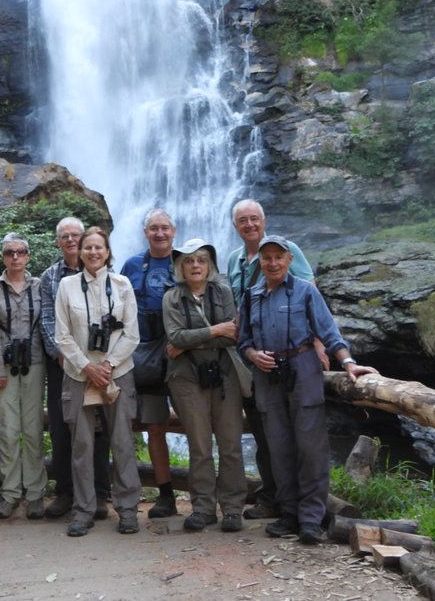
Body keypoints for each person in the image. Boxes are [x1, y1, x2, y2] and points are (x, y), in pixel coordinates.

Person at [237, 236, 378, 545]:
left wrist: (349, 363)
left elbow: (328, 331)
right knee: (279, 446)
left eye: (278, 257)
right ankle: (288, 514)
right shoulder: (250, 297)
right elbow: (243, 340)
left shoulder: (305, 291)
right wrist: (251, 355)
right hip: (267, 374)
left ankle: (311, 519)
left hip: (303, 368)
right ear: (259, 262)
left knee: (311, 448)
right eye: (267, 258)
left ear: (289, 260)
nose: (272, 263)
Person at [226, 198, 317, 520]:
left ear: (263, 221)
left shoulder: (286, 249)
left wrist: (319, 343)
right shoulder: (234, 261)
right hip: (251, 356)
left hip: (291, 355)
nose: (249, 225)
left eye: (254, 219)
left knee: (299, 434)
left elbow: (310, 294)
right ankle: (272, 497)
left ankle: (303, 507)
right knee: (266, 432)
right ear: (235, 226)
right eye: (242, 220)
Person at [54, 226, 141, 537]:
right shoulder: (66, 286)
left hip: (117, 374)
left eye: (98, 248)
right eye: (87, 247)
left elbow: (132, 333)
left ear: (108, 252)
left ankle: (128, 509)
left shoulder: (122, 284)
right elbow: (62, 335)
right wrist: (87, 367)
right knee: (82, 445)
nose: (93, 252)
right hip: (79, 375)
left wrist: (107, 365)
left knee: (122, 442)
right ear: (79, 251)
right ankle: (83, 510)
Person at [162, 238, 248, 533]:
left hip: (224, 375)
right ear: (180, 267)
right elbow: (175, 337)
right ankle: (202, 508)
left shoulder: (222, 291)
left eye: (200, 260)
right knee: (199, 446)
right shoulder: (172, 298)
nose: (195, 265)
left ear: (209, 265)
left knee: (231, 444)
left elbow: (232, 335)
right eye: (188, 260)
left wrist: (191, 339)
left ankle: (233, 508)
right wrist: (213, 330)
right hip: (187, 378)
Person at [38, 217, 112, 520]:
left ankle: (100, 493)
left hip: (97, 361)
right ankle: (66, 491)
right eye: (65, 236)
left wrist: (96, 359)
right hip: (62, 364)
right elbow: (46, 319)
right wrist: (61, 354)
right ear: (58, 242)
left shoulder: (100, 272)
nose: (70, 240)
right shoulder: (50, 277)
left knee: (98, 426)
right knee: (61, 425)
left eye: (75, 236)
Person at [118, 208, 178, 519]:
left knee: (179, 425)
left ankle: (182, 493)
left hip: (177, 354)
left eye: (164, 228)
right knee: (141, 427)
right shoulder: (131, 266)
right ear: (145, 233)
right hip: (136, 355)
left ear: (174, 231)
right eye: (153, 228)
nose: (159, 233)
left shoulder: (185, 262)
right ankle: (147, 494)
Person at [0, 233, 47, 520]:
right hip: (5, 364)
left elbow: (45, 324)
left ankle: (35, 494)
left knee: (32, 429)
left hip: (34, 362)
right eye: (10, 253)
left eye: (21, 252)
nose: (15, 257)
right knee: (8, 430)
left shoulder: (39, 286)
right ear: (3, 257)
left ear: (29, 256)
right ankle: (9, 493)